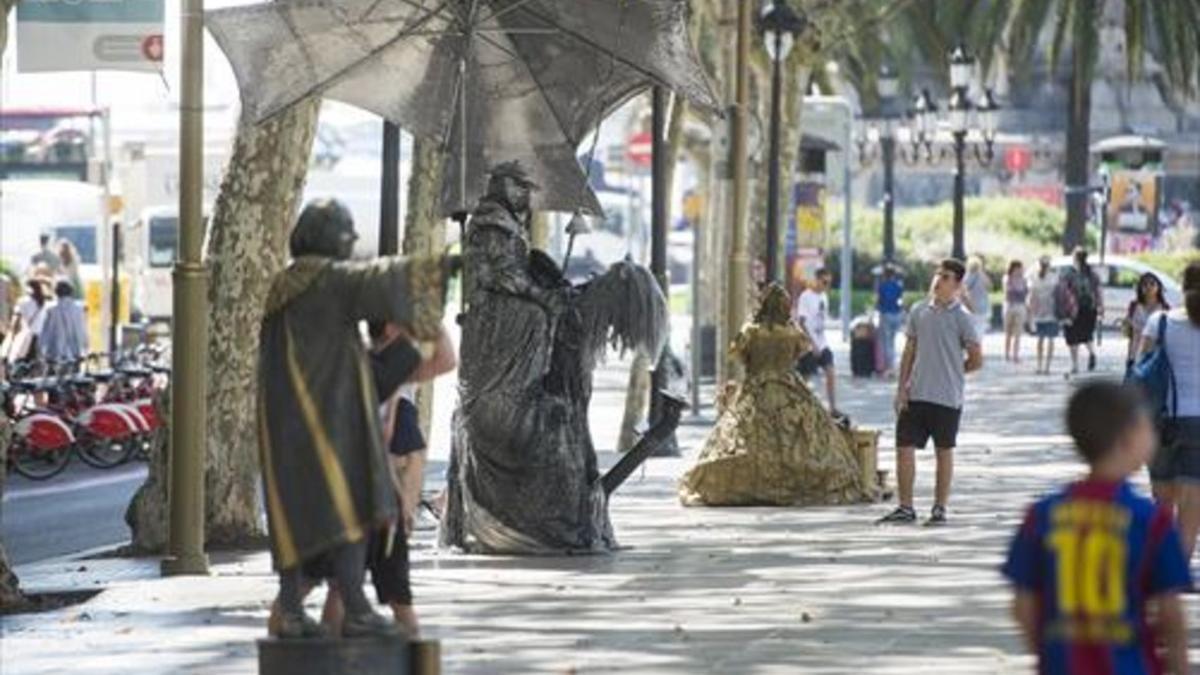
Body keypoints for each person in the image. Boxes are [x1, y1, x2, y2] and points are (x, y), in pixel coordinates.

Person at [441, 161, 668, 555]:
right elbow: (501, 277)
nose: (528, 196)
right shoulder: (492, 225)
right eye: (521, 188)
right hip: (501, 335)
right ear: (503, 187)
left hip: (522, 329)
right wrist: (544, 297)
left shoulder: (509, 224)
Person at [258, 198, 452, 639]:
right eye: (348, 233)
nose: (353, 242)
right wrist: (450, 265)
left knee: (298, 518)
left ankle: (290, 608)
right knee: (357, 510)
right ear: (332, 239)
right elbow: (384, 279)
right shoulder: (327, 281)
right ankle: (358, 607)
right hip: (329, 423)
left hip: (285, 425)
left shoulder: (281, 289)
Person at [1001, 381, 1191, 675]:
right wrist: (1179, 665)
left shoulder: (1042, 515)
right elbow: (1169, 612)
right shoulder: (1150, 521)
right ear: (1128, 439)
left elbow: (1022, 604)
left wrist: (1046, 654)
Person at [679, 284, 870, 506]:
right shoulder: (793, 332)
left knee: (742, 437)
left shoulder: (751, 331)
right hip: (790, 388)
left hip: (756, 389)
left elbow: (739, 355)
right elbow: (801, 352)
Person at [878, 259, 983, 526]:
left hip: (947, 397)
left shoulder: (963, 318)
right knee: (904, 447)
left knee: (943, 451)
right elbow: (909, 352)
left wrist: (956, 371)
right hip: (916, 394)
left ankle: (939, 508)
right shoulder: (918, 310)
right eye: (937, 274)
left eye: (946, 276)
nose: (938, 280)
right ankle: (905, 507)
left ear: (957, 285)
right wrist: (901, 388)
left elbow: (976, 359)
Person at [1140, 261, 1200, 564]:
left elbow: (1141, 368)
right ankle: (1179, 570)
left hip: (1160, 420)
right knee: (1192, 503)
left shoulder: (1159, 321)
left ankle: (1159, 567)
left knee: (1162, 500)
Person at [794, 268, 838, 412]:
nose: (826, 286)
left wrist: (820, 343)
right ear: (817, 280)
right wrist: (812, 344)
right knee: (805, 378)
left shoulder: (824, 297)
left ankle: (833, 407)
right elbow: (801, 322)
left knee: (830, 371)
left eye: (829, 283)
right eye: (824, 282)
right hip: (808, 343)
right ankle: (798, 406)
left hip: (822, 342)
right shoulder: (806, 296)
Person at [1061, 247, 1103, 374]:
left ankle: (1075, 365)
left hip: (1073, 309)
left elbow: (1063, 291)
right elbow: (1098, 291)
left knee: (1072, 336)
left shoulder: (1068, 273)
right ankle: (1092, 352)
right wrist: (1100, 306)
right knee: (1087, 334)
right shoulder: (1092, 273)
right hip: (1090, 309)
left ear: (1074, 258)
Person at [1125, 272, 1169, 374]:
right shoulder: (1134, 306)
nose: (1148, 287)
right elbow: (1130, 334)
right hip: (1135, 355)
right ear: (1140, 288)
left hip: (1155, 358)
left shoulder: (1165, 308)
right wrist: (1129, 358)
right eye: (1145, 284)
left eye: (1152, 283)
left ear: (1159, 287)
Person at [39, 281, 88, 365]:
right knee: (75, 376)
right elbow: (83, 330)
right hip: (75, 351)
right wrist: (85, 348)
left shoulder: (50, 309)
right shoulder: (79, 308)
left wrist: (42, 351)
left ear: (56, 292)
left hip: (54, 352)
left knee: (55, 376)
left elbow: (44, 332)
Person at [1027, 256, 1060, 375]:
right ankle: (1047, 367)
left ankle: (1039, 365)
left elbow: (1031, 296)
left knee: (1040, 339)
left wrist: (1030, 313)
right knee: (1050, 339)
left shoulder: (1034, 277)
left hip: (1038, 311)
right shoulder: (1054, 277)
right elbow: (1059, 294)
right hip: (1052, 310)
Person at [7, 277, 51, 364]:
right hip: (40, 335)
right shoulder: (44, 302)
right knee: (35, 361)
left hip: (27, 336)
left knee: (21, 360)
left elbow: (16, 319)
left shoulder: (22, 301)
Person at [876, 265, 905, 377]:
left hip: (886, 314)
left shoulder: (882, 286)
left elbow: (879, 301)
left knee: (886, 342)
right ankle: (892, 366)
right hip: (897, 314)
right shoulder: (898, 286)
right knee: (892, 341)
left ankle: (889, 367)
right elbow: (900, 300)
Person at [1002, 259, 1028, 363]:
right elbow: (1009, 291)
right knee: (1008, 331)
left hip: (1020, 306)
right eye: (1018, 268)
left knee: (1018, 332)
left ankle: (1015, 355)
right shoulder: (1007, 278)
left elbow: (1025, 292)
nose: (1020, 271)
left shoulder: (1023, 279)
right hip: (1009, 306)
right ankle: (1007, 354)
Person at [962, 256, 992, 338]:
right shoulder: (982, 276)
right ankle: (977, 347)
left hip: (970, 306)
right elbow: (989, 286)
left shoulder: (967, 276)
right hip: (983, 307)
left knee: (972, 331)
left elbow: (963, 290)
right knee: (979, 332)